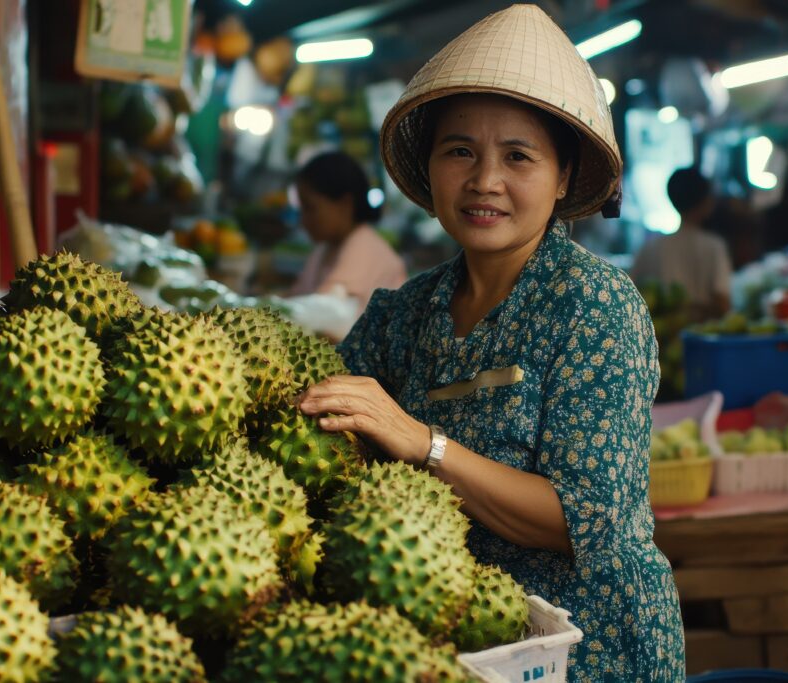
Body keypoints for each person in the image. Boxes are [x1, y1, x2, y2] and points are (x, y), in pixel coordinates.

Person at [296, 6, 684, 681]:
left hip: (588, 648)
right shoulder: (402, 314)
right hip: (453, 641)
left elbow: (580, 516)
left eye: (518, 156)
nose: (484, 181)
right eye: (460, 151)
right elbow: (322, 436)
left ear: (562, 178)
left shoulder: (594, 307)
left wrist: (424, 442)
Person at [288, 150, 408, 317]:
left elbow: (323, 313)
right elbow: (298, 298)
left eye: (310, 208)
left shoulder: (365, 249)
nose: (303, 220)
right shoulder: (326, 248)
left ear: (345, 204)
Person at [630, 166, 733, 321]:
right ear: (705, 201)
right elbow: (722, 303)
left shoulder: (649, 248)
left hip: (659, 339)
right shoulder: (713, 246)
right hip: (700, 339)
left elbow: (632, 298)